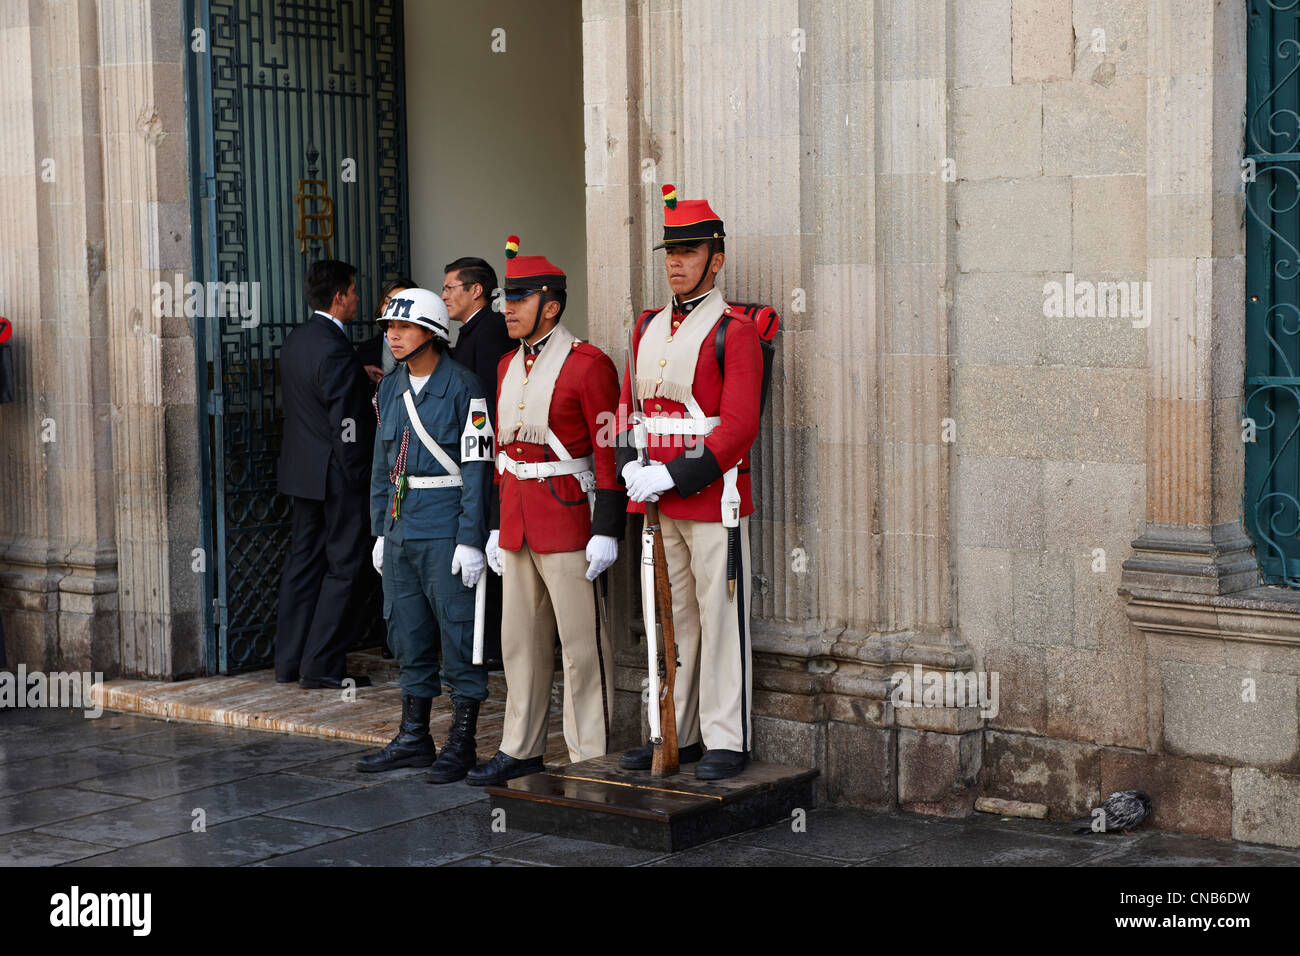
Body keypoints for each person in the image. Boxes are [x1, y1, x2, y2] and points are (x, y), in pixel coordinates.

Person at [465, 237, 624, 787]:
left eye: (518, 298)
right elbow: (500, 453)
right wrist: (492, 526)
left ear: (550, 305)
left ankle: (591, 754)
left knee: (582, 648)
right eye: (505, 298)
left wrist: (607, 530)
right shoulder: (508, 364)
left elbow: (609, 451)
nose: (506, 308)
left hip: (569, 519)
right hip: (516, 520)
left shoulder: (589, 364)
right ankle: (521, 747)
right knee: (519, 644)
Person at [616, 186, 763, 780]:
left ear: (716, 258)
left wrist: (669, 475)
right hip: (655, 493)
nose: (675, 262)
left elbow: (737, 428)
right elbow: (630, 407)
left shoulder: (737, 331)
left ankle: (728, 736)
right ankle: (677, 733)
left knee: (719, 617)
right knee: (667, 618)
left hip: (709, 496)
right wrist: (631, 460)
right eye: (670, 252)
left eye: (689, 250)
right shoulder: (648, 325)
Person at [357, 288, 492, 782]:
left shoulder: (463, 387)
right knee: (406, 632)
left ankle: (462, 742)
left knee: (458, 633)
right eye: (388, 328)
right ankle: (414, 737)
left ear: (432, 332)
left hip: (446, 527)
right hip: (400, 527)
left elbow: (478, 466)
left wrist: (471, 537)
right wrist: (379, 530)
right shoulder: (389, 388)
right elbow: (380, 465)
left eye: (403, 328)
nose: (392, 336)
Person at [275, 259, 375, 690]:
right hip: (336, 474)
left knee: (302, 563)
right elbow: (343, 421)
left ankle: (289, 660)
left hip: (302, 473)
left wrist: (357, 374)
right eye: (353, 291)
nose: (357, 298)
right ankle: (321, 665)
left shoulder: (299, 339)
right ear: (339, 297)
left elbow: (315, 397)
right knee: (345, 565)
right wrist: (358, 475)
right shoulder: (335, 346)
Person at [443, 256, 515, 670]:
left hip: (487, 462)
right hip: (473, 463)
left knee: (492, 550)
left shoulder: (488, 332)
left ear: (476, 291)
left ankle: (491, 646)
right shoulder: (472, 331)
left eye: (451, 287)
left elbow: (485, 406)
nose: (445, 295)